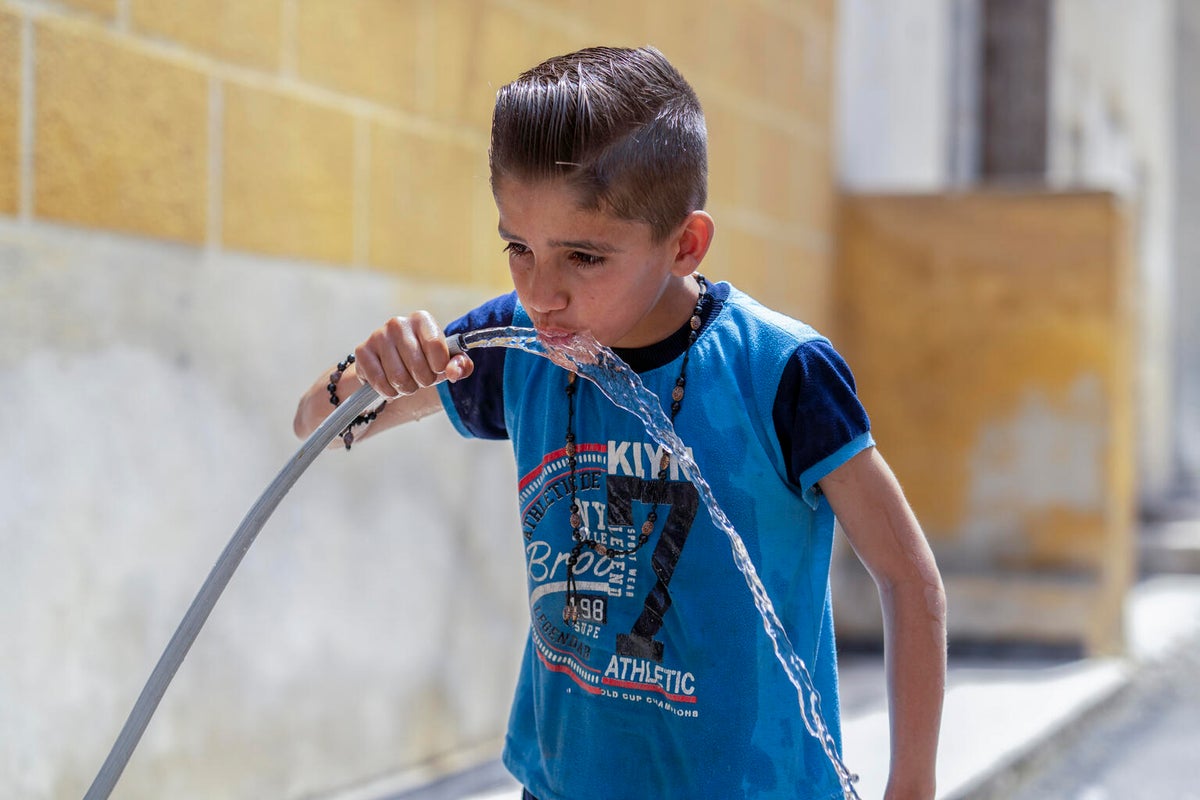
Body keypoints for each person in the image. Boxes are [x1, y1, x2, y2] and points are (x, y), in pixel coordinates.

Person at [295, 46, 945, 800]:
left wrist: (912, 786)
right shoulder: (513, 348)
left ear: (684, 244)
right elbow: (315, 424)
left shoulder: (779, 371)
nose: (542, 294)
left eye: (583, 256)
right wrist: (369, 370)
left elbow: (909, 579)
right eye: (519, 248)